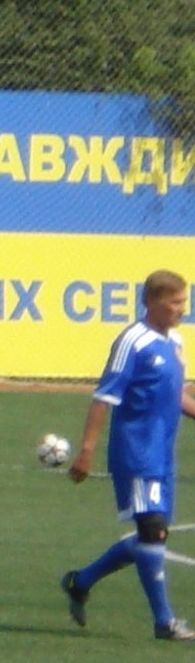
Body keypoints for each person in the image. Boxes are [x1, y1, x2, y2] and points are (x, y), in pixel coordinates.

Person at [61, 270, 193, 642]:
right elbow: (105, 396)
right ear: (150, 302)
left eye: (183, 302)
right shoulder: (132, 342)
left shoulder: (176, 342)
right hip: (135, 452)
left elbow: (174, 395)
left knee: (153, 536)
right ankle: (164, 622)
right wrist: (86, 451)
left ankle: (81, 581)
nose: (181, 310)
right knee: (152, 530)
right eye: (174, 303)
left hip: (163, 455)